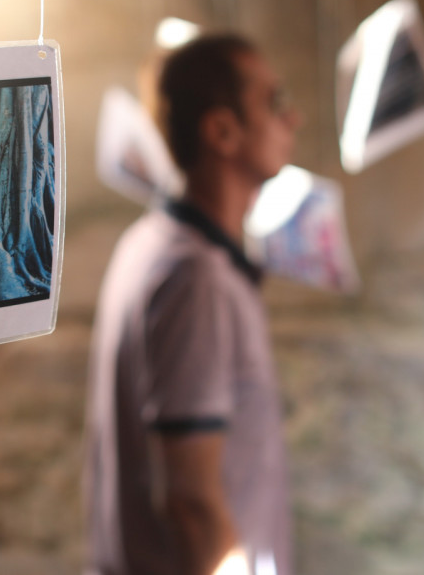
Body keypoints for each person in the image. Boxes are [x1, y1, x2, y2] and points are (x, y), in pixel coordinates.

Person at [84, 34, 301, 575]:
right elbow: (192, 504)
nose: (292, 119)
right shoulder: (196, 276)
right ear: (222, 131)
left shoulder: (150, 241)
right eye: (273, 102)